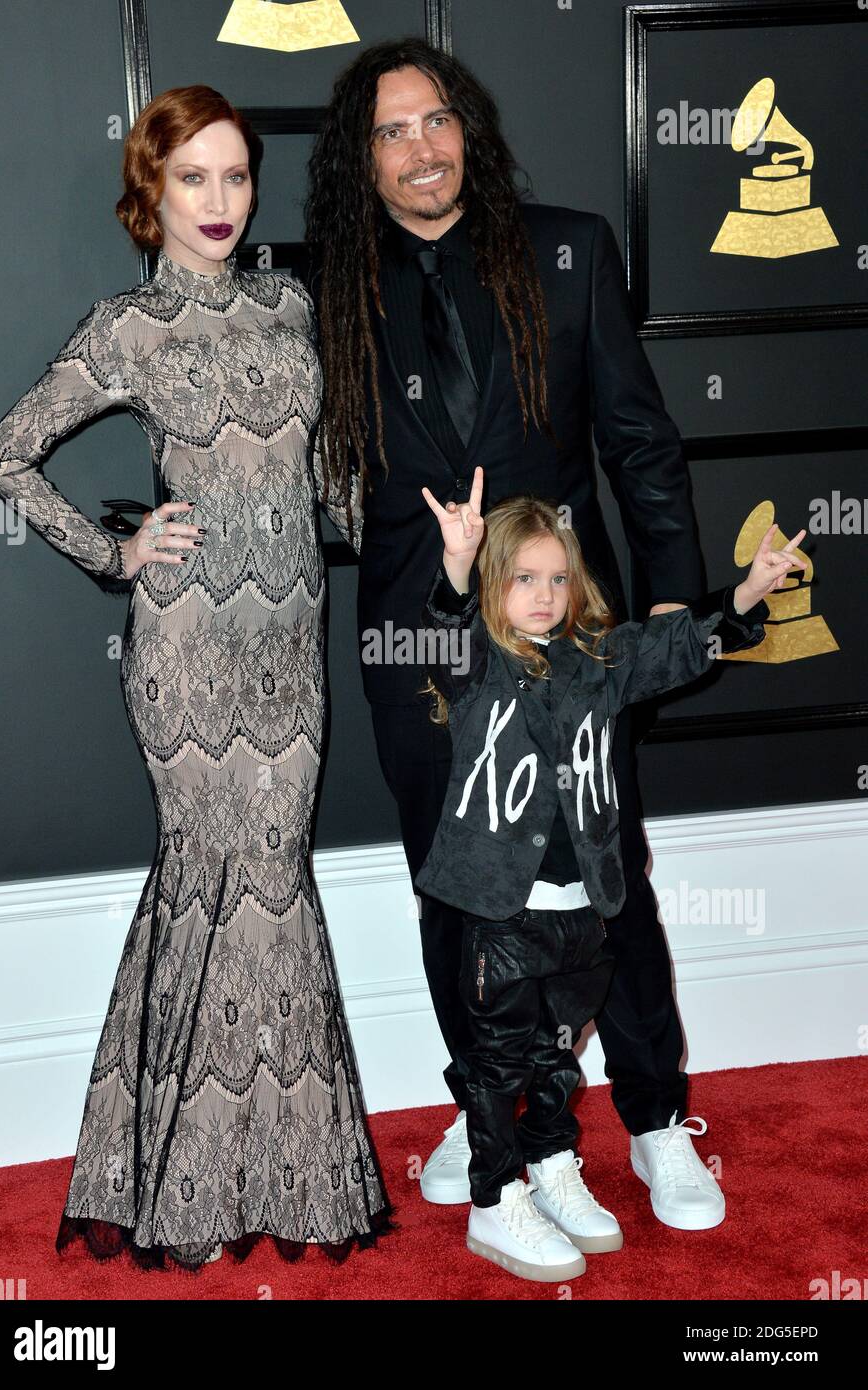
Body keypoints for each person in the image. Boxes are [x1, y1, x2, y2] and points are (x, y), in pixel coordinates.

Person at [304, 36, 735, 1222]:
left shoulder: (570, 250)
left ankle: (652, 1116)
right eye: (389, 132)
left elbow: (640, 443)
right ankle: (495, 1109)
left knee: (606, 882)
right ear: (362, 160)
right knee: (459, 891)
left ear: (469, 131)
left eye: (434, 120)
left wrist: (665, 603)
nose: (418, 148)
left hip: (563, 631)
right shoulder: (333, 293)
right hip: (420, 643)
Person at [0, 85, 392, 1272]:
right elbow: (5, 455)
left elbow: (327, 482)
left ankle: (272, 1171)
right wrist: (118, 553)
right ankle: (185, 1184)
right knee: (217, 886)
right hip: (188, 651)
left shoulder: (290, 306)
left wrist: (412, 536)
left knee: (274, 889)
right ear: (149, 193)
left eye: (237, 176)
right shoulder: (126, 330)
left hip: (287, 652)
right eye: (193, 178)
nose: (219, 202)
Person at [413, 468, 805, 1282]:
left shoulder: (600, 659)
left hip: (581, 910)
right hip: (498, 911)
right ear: (495, 585)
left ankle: (553, 1168)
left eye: (558, 578)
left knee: (558, 1056)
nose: (545, 594)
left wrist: (744, 596)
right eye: (524, 578)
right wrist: (455, 567)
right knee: (498, 1064)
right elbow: (445, 628)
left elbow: (673, 648)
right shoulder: (477, 664)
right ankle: (494, 1201)